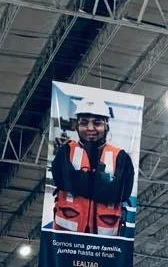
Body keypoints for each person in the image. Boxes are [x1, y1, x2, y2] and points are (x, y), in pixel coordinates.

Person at [50, 94, 136, 236]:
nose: (90, 128)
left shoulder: (121, 157)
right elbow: (61, 179)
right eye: (84, 123)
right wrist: (103, 183)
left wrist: (79, 179)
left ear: (106, 125)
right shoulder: (66, 151)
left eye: (97, 123)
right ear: (77, 126)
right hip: (65, 241)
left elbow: (122, 192)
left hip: (104, 245)